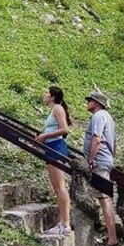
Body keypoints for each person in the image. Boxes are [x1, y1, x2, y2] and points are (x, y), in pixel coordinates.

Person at [83, 89, 118, 246]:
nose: (87, 102)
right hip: (106, 159)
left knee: (104, 199)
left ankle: (111, 238)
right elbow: (114, 143)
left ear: (97, 103)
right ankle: (110, 237)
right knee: (104, 198)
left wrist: (90, 160)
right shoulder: (108, 118)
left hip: (99, 161)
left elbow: (96, 140)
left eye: (89, 100)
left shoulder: (98, 116)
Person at [36, 85, 72, 235]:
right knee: (57, 188)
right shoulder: (53, 110)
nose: (44, 95)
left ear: (52, 97)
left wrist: (45, 136)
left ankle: (65, 224)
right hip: (51, 147)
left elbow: (64, 129)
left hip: (56, 146)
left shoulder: (57, 108)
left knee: (60, 187)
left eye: (46, 93)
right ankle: (62, 222)